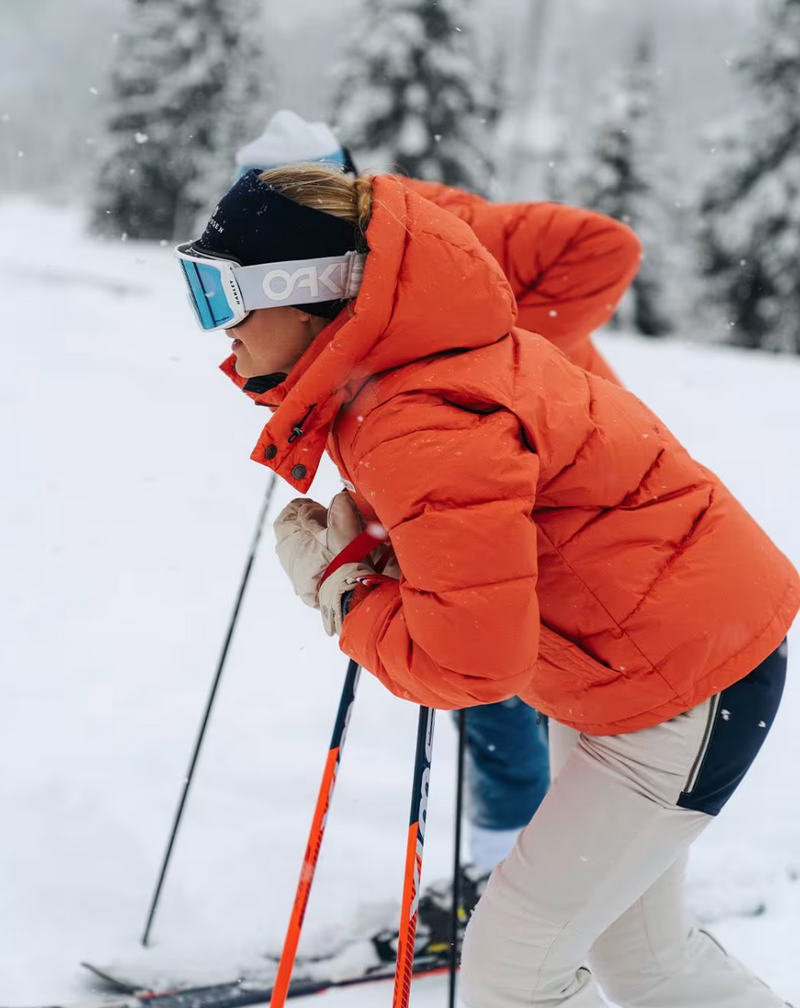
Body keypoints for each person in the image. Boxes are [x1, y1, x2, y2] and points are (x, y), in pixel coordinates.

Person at [175, 164, 798, 1007]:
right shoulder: (402, 374)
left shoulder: (417, 413)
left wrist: (342, 589)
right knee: (639, 955)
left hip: (680, 679)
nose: (221, 331)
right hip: (635, 665)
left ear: (308, 292)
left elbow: (471, 664)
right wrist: (389, 563)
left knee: (515, 964)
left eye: (223, 295)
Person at [230, 109, 640, 879]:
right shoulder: (335, 269)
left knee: (494, 672)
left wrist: (489, 358)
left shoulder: (431, 225)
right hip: (459, 462)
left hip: (548, 464)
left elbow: (605, 247)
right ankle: (526, 868)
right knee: (494, 665)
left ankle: (511, 869)